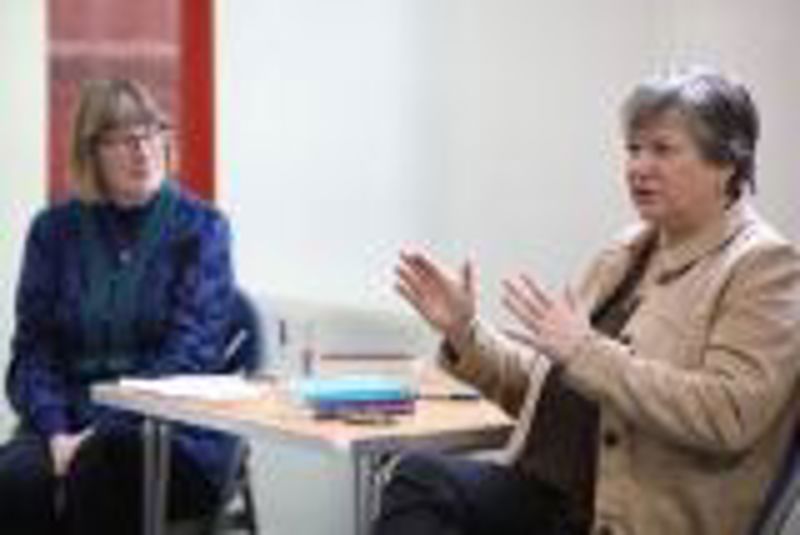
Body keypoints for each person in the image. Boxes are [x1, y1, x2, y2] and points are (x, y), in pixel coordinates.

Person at [375, 68, 800, 535]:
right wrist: (464, 331)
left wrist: (586, 351)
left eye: (662, 149)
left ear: (727, 164)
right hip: (549, 496)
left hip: (635, 520)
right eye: (633, 149)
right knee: (420, 478)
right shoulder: (626, 251)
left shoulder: (763, 265)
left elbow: (728, 414)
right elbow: (552, 386)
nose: (639, 167)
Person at [0, 79, 238, 535]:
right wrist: (56, 432)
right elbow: (33, 352)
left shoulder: (204, 229)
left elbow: (190, 356)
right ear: (91, 152)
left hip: (171, 432)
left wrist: (96, 433)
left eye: (151, 132)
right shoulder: (52, 232)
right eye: (122, 139)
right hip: (62, 424)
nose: (143, 150)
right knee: (15, 480)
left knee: (98, 470)